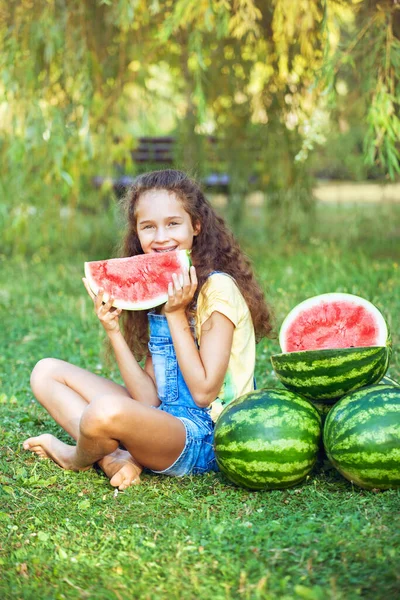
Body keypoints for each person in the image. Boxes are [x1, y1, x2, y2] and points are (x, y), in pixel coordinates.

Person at [23, 170, 273, 490]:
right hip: (161, 421)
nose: (161, 237)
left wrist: (176, 314)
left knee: (103, 411)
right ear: (137, 233)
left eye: (173, 223)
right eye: (148, 227)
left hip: (205, 438)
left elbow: (204, 391)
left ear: (196, 225)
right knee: (46, 372)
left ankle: (76, 457)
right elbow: (149, 397)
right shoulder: (161, 286)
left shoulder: (218, 290)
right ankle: (114, 459)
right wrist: (112, 329)